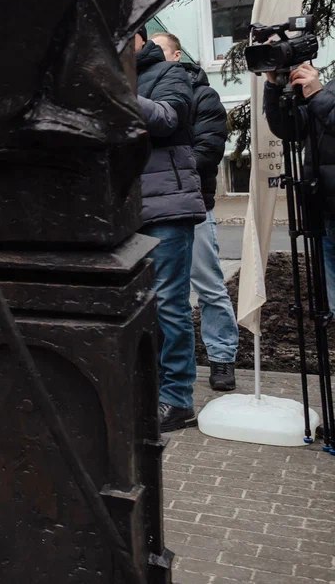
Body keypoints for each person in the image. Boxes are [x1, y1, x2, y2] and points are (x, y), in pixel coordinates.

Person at [152, 33, 237, 391]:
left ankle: (222, 357)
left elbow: (209, 148)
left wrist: (176, 175)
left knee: (208, 286)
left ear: (176, 55)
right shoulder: (149, 92)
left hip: (194, 206)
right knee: (164, 295)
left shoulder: (202, 96)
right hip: (156, 207)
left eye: (160, 49)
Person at [134, 27, 205, 432]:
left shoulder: (169, 73)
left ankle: (178, 399)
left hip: (166, 208)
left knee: (169, 305)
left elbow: (167, 118)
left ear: (137, 37)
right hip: (124, 213)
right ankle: (150, 389)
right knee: (139, 309)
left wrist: (117, 93)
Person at [263, 62, 335, 316]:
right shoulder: (330, 89)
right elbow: (290, 129)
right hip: (323, 210)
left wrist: (318, 95)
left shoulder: (324, 93)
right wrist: (274, 86)